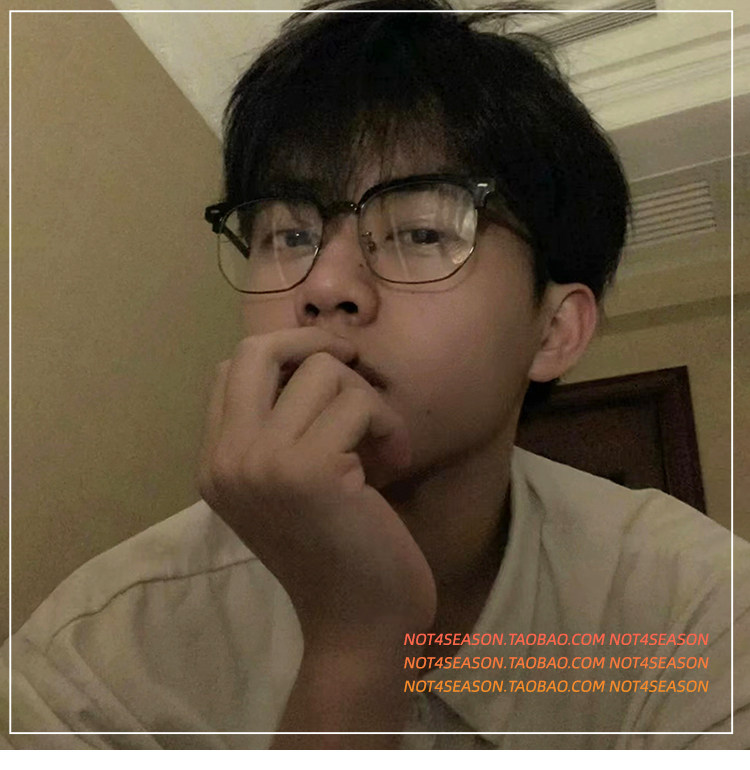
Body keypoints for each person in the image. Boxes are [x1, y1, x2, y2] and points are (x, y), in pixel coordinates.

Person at [3, 0, 748, 750]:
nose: (326, 285)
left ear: (553, 331)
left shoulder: (697, 609)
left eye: (420, 231)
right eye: (288, 233)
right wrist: (357, 645)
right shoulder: (91, 665)